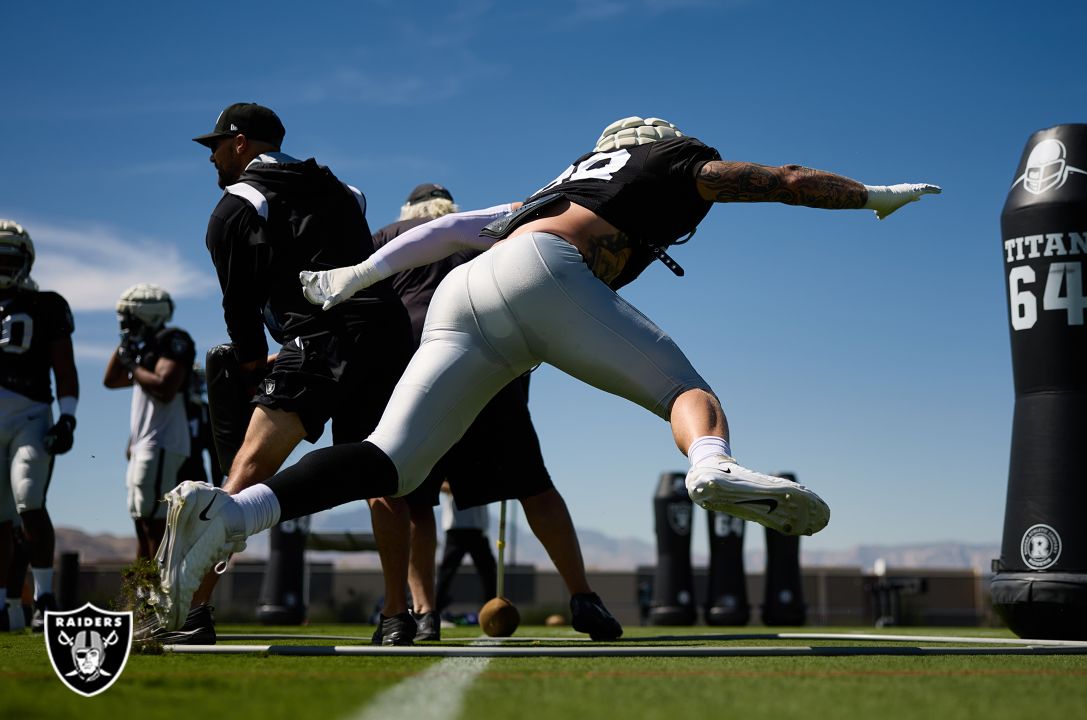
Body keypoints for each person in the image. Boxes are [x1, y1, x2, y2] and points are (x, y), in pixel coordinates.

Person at [154, 116, 940, 633]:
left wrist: (354, 278)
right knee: (686, 392)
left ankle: (232, 514)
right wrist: (870, 197)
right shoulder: (671, 159)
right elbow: (785, 178)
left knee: (395, 461)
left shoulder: (561, 180)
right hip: (547, 278)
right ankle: (712, 465)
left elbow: (454, 231)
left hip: (470, 294)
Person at [155, 102, 413, 644]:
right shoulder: (346, 191)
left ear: (242, 143)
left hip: (320, 341)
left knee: (246, 471)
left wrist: (251, 363)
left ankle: (194, 612)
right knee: (378, 476)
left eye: (217, 146)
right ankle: (396, 616)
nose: (213, 159)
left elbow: (239, 307)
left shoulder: (237, 205)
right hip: (385, 338)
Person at [366, 182, 620, 644]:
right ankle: (584, 596)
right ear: (451, 210)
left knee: (412, 500)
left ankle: (421, 614)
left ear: (409, 211)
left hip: (417, 372)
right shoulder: (490, 231)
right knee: (535, 489)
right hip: (491, 367)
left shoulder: (388, 235)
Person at [0, 220, 79, 634]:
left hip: (31, 413)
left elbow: (64, 367)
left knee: (29, 498)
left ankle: (45, 596)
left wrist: (67, 416)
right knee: (0, 517)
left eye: (6, 258)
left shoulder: (46, 304)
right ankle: (6, 606)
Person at [103, 284, 196, 560]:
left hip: (162, 442)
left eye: (129, 317)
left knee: (155, 526)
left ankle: (157, 597)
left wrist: (132, 364)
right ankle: (141, 594)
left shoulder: (173, 339)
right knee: (142, 525)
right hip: (145, 444)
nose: (124, 323)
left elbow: (165, 388)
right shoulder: (145, 347)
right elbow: (110, 380)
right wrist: (126, 350)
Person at [433, 481, 497, 613]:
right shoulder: (449, 464)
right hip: (456, 529)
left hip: (477, 529)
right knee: (446, 572)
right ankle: (434, 609)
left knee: (489, 570)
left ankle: (492, 608)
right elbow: (440, 484)